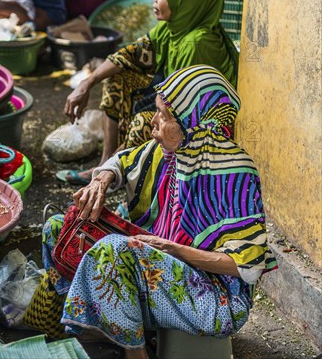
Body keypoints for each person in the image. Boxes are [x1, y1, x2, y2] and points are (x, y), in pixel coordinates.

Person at [41, 65, 277, 359]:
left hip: (216, 296)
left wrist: (172, 249)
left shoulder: (235, 173)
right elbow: (123, 161)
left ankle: (134, 353)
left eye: (164, 116)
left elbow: (247, 266)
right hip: (165, 264)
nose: (153, 121)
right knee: (61, 225)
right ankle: (104, 327)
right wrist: (101, 180)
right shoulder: (167, 153)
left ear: (194, 123)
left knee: (114, 251)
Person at [56, 0, 239, 185]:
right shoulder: (171, 27)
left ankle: (119, 176)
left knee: (144, 122)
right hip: (171, 103)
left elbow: (179, 111)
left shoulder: (198, 43)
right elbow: (128, 55)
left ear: (186, 1)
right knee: (117, 77)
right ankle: (106, 162)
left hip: (199, 125)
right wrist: (87, 83)